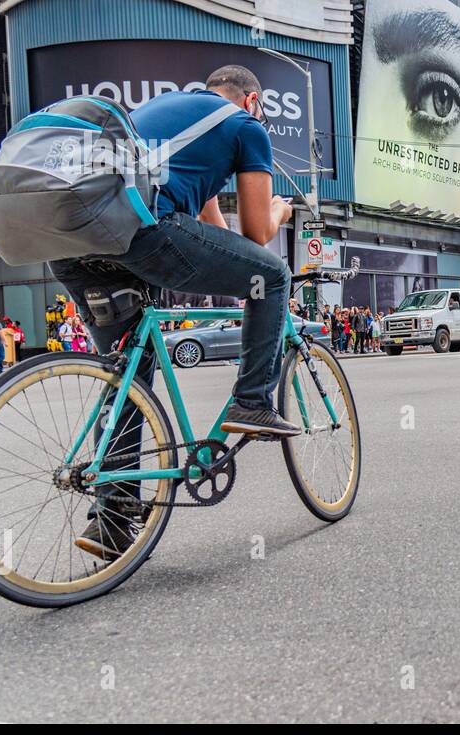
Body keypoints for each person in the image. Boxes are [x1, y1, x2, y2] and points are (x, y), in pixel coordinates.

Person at [47, 65, 299, 560]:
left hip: (73, 242)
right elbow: (255, 236)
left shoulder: (164, 114)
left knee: (128, 379)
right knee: (272, 276)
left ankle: (112, 519)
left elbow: (216, 231)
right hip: (141, 233)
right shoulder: (245, 126)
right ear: (251, 100)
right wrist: (280, 211)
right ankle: (252, 400)